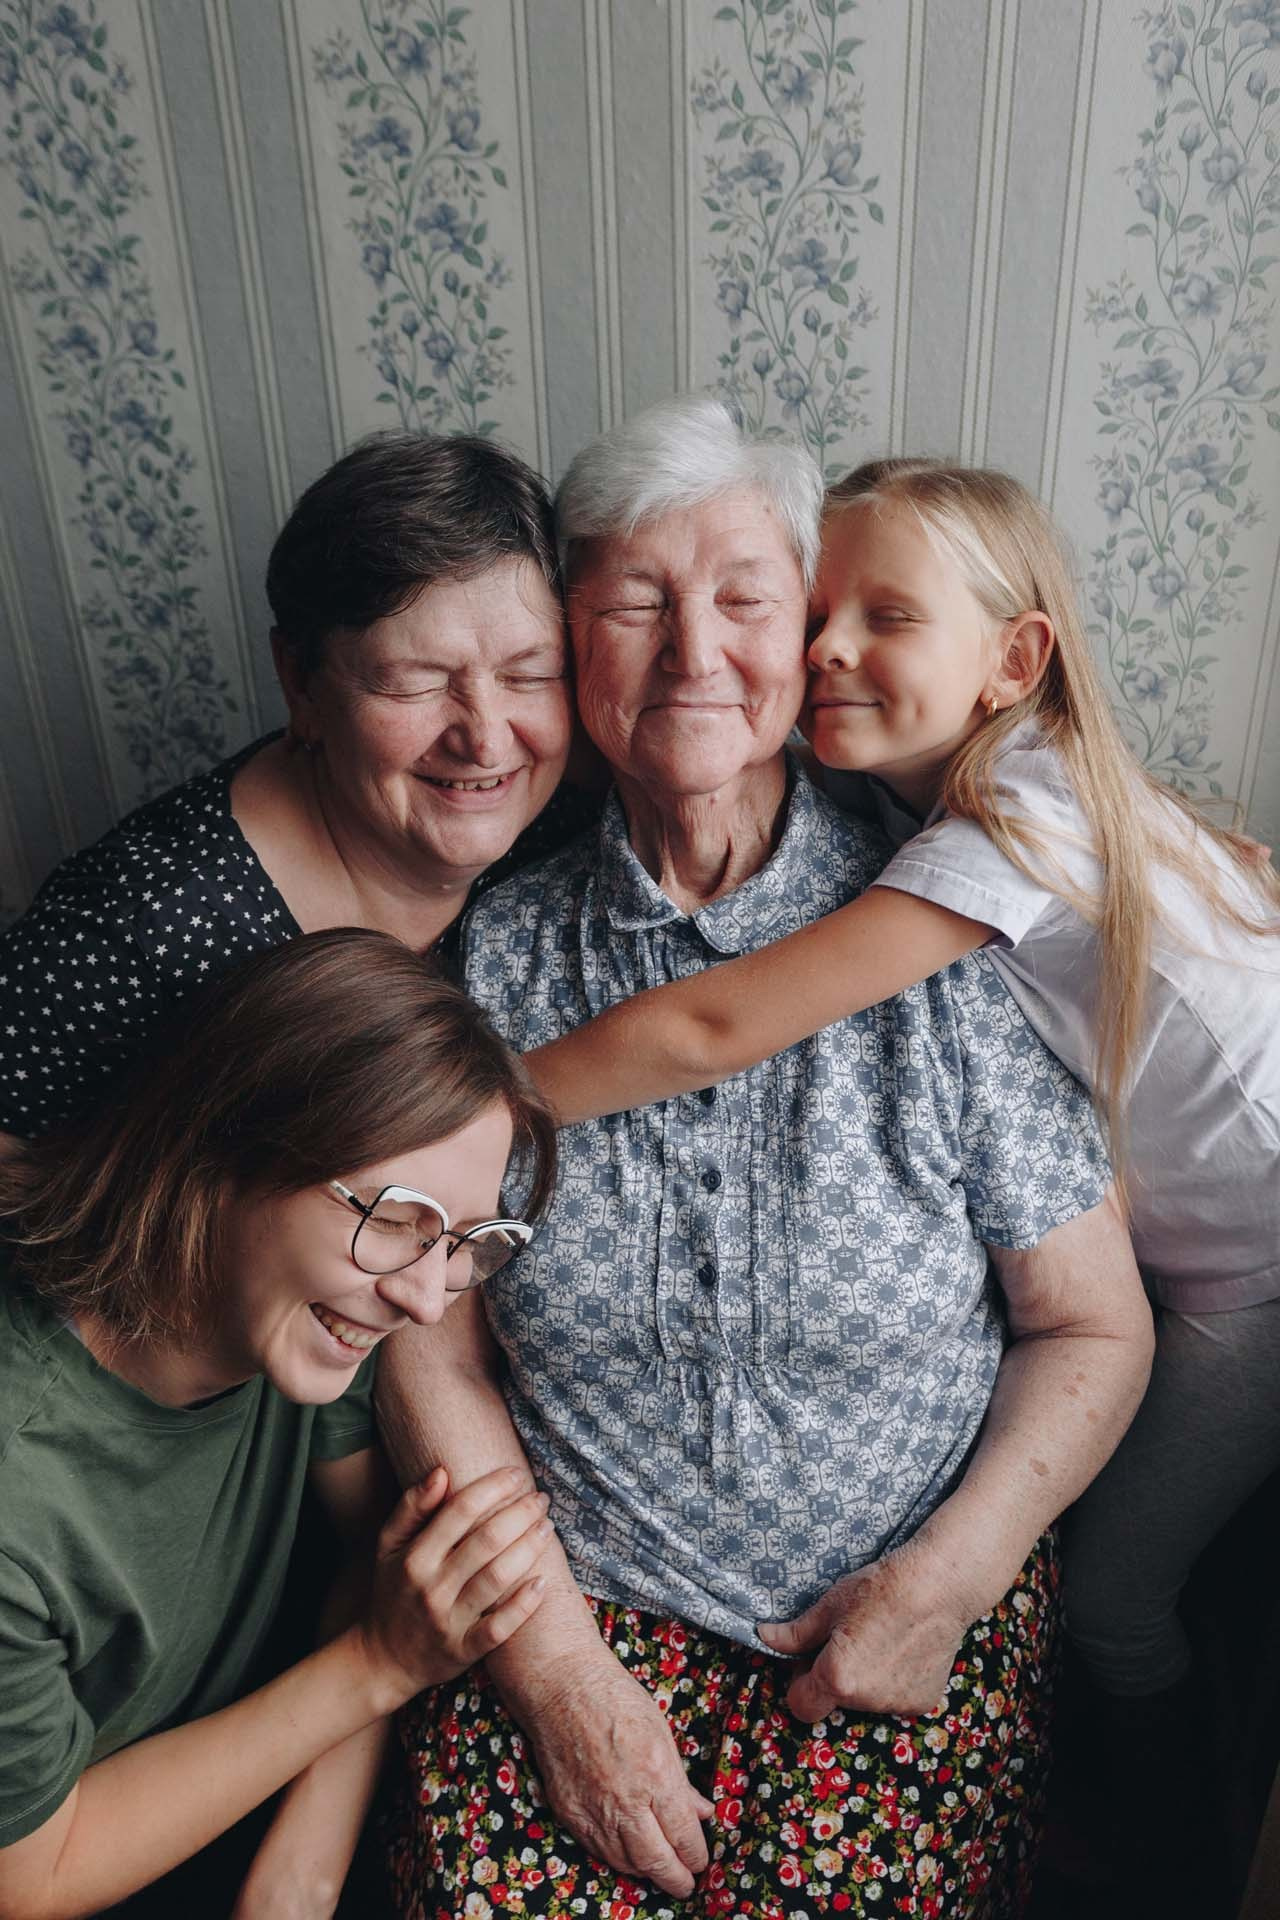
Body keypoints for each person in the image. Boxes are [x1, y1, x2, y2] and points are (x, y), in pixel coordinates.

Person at [376, 398, 1154, 1919]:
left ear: (808, 633)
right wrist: (551, 1668)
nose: (694, 653)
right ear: (570, 645)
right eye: (634, 604)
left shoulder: (939, 924)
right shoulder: (488, 958)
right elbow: (426, 1336)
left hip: (899, 1608)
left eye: (743, 597)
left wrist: (952, 1581)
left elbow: (1096, 1320)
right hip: (576, 1606)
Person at [526, 456, 1280, 1862]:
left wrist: (490, 1103)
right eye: (818, 615)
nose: (822, 651)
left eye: (885, 619)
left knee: (1118, 1603)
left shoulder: (993, 839)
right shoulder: (1046, 789)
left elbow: (711, 1021)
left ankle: (1173, 1853)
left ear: (1015, 657)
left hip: (1260, 1284)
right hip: (1228, 1241)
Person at [0, 927, 558, 1920]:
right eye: (396, 1217)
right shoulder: (19, 1488)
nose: (429, 1300)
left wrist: (309, 1849)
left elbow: (367, 1552)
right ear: (223, 1145)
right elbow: (33, 1877)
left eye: (465, 1241)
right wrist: (377, 1667)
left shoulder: (316, 1308)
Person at [0, 429, 583, 1147]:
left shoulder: (568, 827)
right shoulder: (135, 926)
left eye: (529, 674)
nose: (487, 739)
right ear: (300, 681)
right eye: (416, 682)